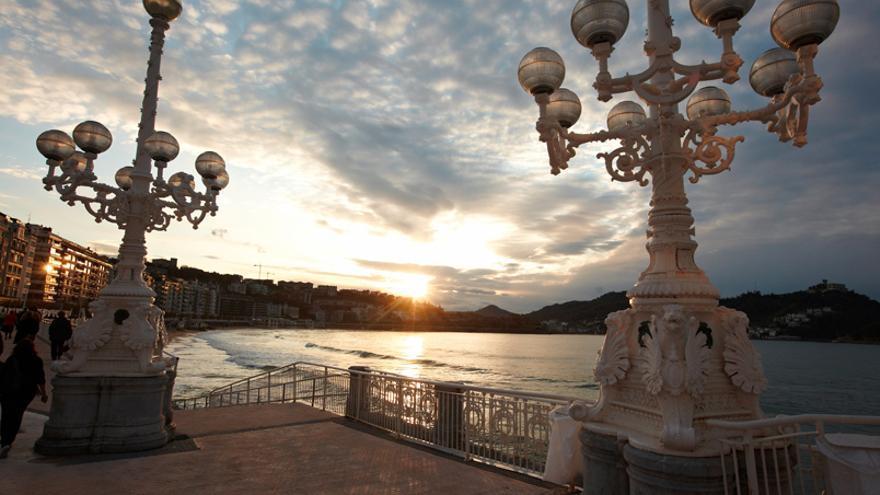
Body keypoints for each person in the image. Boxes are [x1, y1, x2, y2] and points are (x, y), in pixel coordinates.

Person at [0, 335, 48, 458]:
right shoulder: (37, 360)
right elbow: (41, 379)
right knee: (17, 414)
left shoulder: (12, 359)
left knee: (6, 414)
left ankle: (4, 438)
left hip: (9, 391)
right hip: (26, 392)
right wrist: (44, 394)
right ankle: (8, 440)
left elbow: (4, 375)